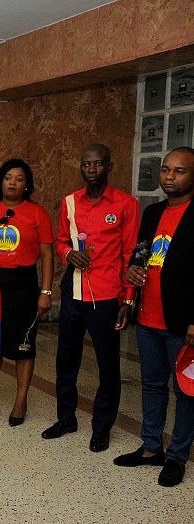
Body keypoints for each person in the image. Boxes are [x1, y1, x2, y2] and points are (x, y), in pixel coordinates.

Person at [41, 143, 140, 452]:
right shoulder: (69, 202)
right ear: (81, 167)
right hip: (73, 293)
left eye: (98, 164)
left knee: (107, 364)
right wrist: (69, 253)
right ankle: (66, 417)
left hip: (108, 297)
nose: (92, 169)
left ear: (108, 167)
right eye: (87, 164)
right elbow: (59, 242)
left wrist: (129, 300)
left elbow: (131, 256)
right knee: (65, 360)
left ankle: (102, 426)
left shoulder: (126, 204)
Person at [113, 146, 194, 487]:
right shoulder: (152, 212)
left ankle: (176, 456)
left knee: (186, 392)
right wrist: (131, 277)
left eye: (179, 171)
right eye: (165, 170)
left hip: (182, 324)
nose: (169, 177)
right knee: (152, 384)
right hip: (148, 319)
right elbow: (140, 257)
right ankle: (150, 448)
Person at [0, 159, 54, 427]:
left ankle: (20, 400)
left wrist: (46, 291)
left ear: (27, 185)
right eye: (8, 177)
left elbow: (48, 255)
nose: (12, 182)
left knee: (23, 345)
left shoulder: (37, 213)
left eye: (19, 178)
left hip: (25, 285)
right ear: (0, 181)